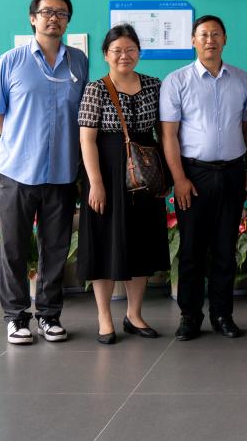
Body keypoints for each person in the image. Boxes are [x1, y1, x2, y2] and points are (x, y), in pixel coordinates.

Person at [0, 0, 88, 345]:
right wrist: (19, 143)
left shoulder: (78, 62)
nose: (54, 18)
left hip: (62, 171)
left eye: (61, 13)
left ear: (68, 21)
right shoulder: (10, 61)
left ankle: (49, 315)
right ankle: (16, 318)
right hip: (18, 172)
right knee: (14, 247)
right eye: (47, 12)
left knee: (55, 248)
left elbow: (82, 112)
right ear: (33, 18)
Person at [160, 14, 247, 341]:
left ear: (225, 39)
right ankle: (190, 316)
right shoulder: (177, 81)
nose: (210, 40)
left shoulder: (241, 79)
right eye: (203, 34)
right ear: (193, 40)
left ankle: (222, 315)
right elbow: (169, 135)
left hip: (232, 172)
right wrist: (179, 179)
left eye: (216, 34)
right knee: (191, 249)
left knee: (225, 249)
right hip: (193, 175)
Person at [76, 25, 169, 344]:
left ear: (139, 53)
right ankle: (104, 317)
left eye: (130, 50)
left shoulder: (154, 85)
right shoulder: (96, 89)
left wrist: (166, 176)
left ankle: (134, 314)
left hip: (145, 174)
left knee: (141, 244)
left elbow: (163, 133)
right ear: (106, 55)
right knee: (103, 244)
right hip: (107, 173)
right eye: (117, 51)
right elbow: (87, 140)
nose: (124, 56)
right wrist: (95, 184)